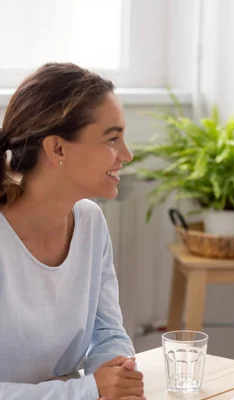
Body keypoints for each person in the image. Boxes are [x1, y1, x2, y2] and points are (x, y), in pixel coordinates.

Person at [0, 63, 144, 400]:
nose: (127, 155)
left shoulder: (90, 222)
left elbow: (106, 331)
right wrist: (89, 389)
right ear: (58, 149)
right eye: (113, 139)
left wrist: (117, 374)